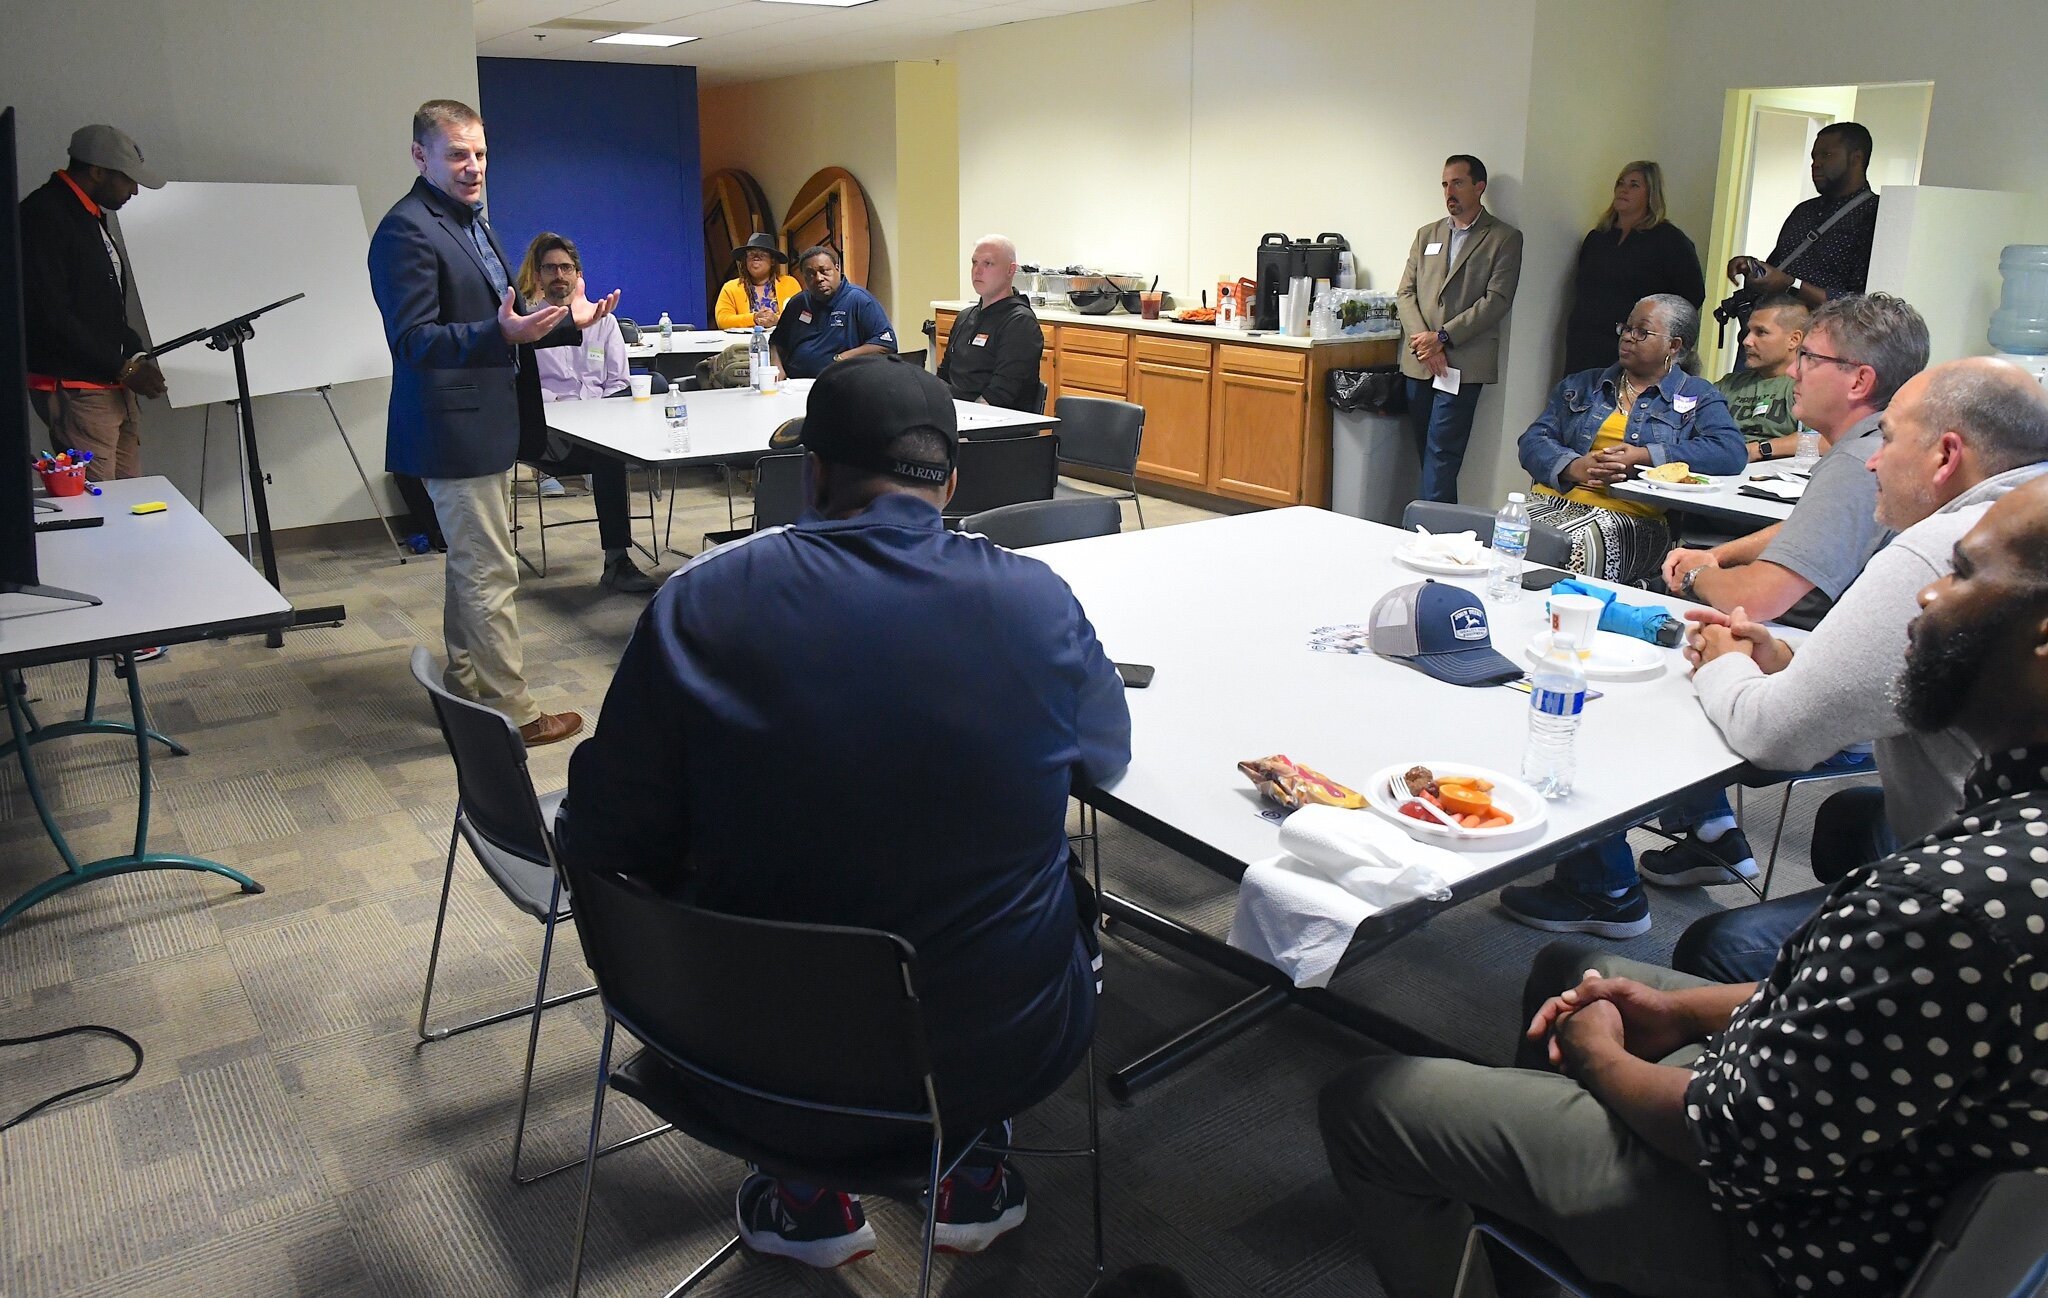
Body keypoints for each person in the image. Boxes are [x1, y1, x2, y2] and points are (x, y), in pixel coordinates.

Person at [1322, 472, 2048, 1298]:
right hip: (1888, 1139)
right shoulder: (1998, 847)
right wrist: (1677, 1008)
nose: (1925, 591)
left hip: (1800, 1238)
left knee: (1370, 1099)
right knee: (1570, 967)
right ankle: (1530, 1227)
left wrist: (1597, 1057)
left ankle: (1543, 1205)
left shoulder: (1946, 906)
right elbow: (1884, 1016)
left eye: (1960, 573)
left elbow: (1735, 1137)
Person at [560, 356, 1130, 1268]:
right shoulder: (1038, 602)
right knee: (1048, 897)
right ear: (949, 479)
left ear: (813, 473)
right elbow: (1107, 760)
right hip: (990, 1045)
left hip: (743, 1046)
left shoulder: (698, 604)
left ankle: (803, 1194)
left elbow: (607, 832)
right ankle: (971, 1176)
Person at [1502, 356, 2048, 937]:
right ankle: (1707, 830)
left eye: (1889, 440)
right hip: (2010, 862)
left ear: (1945, 455)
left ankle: (1608, 887)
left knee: (1715, 941)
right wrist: (1791, 662)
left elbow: (1776, 735)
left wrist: (1725, 659)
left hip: (1973, 905)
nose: (1874, 459)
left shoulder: (1938, 552)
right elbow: (1898, 682)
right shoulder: (2020, 529)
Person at [367, 99, 619, 747]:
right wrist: (497, 332)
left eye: (480, 154)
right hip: (453, 430)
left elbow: (506, 323)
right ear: (421, 155)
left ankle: (466, 682)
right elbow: (415, 340)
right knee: (490, 570)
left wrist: (569, 322)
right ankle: (513, 709)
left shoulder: (473, 223)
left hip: (487, 425)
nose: (473, 166)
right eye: (457, 154)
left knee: (474, 565)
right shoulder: (408, 230)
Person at [1662, 292, 1929, 629]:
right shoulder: (1881, 442)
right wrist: (1718, 555)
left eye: (1808, 357)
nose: (1793, 371)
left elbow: (1757, 597)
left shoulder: (1860, 462)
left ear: (1859, 381)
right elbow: (1809, 529)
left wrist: (1694, 575)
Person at [1518, 294, 1743, 585]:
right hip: (1554, 501)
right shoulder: (1583, 384)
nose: (1627, 338)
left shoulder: (1698, 395)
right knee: (1491, 534)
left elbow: (1730, 451)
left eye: (1642, 332)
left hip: (1633, 517)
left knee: (1572, 547)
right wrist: (1574, 467)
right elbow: (1533, 440)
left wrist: (1645, 456)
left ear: (1674, 346)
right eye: (1626, 328)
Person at [510, 231, 658, 595]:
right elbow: (525, 391)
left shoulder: (603, 321)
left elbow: (618, 380)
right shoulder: (526, 324)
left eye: (566, 267)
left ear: (577, 273)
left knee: (610, 449)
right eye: (550, 269)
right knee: (608, 457)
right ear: (537, 275)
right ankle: (617, 560)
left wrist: (599, 419)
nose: (559, 276)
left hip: (598, 429)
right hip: (548, 435)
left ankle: (616, 560)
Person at [20, 125, 168, 481]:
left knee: (129, 496)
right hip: (77, 386)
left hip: (109, 382)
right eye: (128, 180)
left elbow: (104, 308)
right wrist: (125, 368)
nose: (134, 190)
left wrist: (133, 355)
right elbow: (48, 313)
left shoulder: (88, 214)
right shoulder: (44, 215)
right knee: (100, 503)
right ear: (97, 171)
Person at [1395, 154, 1524, 503]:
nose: (1449, 192)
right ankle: (1437, 528)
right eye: (1445, 184)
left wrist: (1443, 339)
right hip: (1420, 362)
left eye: (1458, 183)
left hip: (1462, 363)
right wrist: (1425, 342)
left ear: (1479, 187)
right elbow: (1405, 292)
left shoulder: (1503, 238)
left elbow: (1496, 301)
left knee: (1442, 454)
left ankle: (1431, 537)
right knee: (1426, 452)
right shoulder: (1428, 234)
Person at [1560, 161, 1705, 377]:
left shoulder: (1669, 240)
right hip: (1587, 340)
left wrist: (1657, 332)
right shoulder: (1598, 238)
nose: (1623, 189)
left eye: (1634, 185)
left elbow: (1692, 296)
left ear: (1650, 194)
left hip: (1636, 343)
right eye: (1621, 183)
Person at [1723, 122, 1880, 317]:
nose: (1816, 164)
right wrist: (1754, 268)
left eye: (1827, 155)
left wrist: (1791, 286)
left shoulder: (1875, 215)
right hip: (1769, 329)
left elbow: (1860, 302)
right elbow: (1779, 266)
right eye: (1814, 157)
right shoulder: (1804, 211)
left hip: (1821, 336)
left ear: (1856, 158)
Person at [936, 234, 1043, 411]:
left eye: (988, 264)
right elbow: (944, 376)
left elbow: (1000, 394)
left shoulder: (1020, 323)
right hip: (956, 417)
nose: (977, 271)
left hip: (996, 425)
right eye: (974, 262)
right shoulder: (965, 317)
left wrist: (965, 426)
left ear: (1010, 270)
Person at [768, 244, 896, 380]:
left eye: (824, 271)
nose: (818, 278)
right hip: (794, 384)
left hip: (840, 383)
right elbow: (776, 342)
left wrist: (843, 358)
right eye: (810, 274)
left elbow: (886, 344)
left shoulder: (859, 300)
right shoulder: (798, 303)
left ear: (837, 269)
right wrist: (776, 368)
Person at [1714, 292, 1808, 461]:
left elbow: (1827, 440)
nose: (1747, 341)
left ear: (1793, 340)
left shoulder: (1807, 386)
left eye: (1761, 332)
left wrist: (1759, 450)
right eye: (1749, 331)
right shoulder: (1727, 385)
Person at [714, 232, 799, 331]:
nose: (756, 258)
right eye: (751, 254)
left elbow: (801, 316)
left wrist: (777, 320)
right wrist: (753, 318)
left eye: (762, 254)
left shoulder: (790, 283)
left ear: (772, 261)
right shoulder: (730, 288)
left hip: (783, 343)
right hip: (742, 344)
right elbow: (722, 320)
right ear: (745, 260)